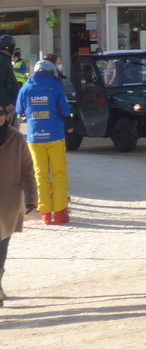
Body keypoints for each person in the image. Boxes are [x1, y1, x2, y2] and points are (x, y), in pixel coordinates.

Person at [17, 59, 74, 225]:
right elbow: (64, 109)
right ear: (51, 72)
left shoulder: (25, 88)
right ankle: (60, 212)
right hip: (55, 135)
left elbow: (20, 111)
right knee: (59, 173)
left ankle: (46, 214)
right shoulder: (54, 86)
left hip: (34, 137)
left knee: (39, 174)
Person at [0, 107, 37, 306]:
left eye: (0, 114)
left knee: (2, 243)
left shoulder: (16, 139)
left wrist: (32, 198)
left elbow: (27, 170)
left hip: (8, 200)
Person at [0, 35, 20, 122]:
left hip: (8, 106)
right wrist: (7, 103)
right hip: (5, 108)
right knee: (8, 134)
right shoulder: (2, 61)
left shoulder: (5, 60)